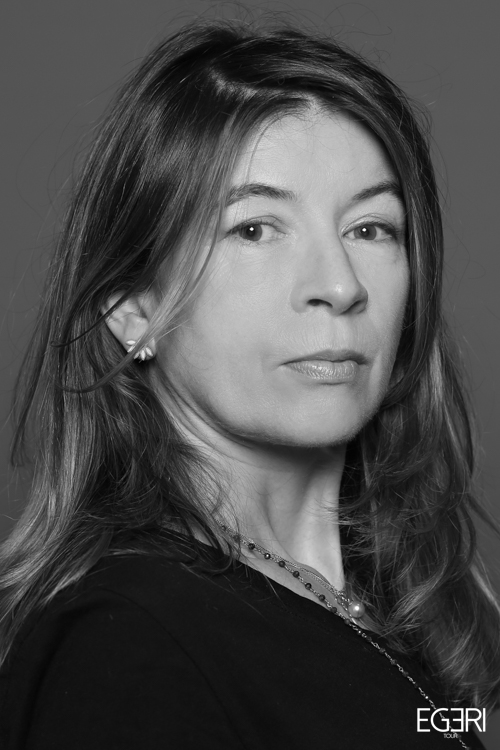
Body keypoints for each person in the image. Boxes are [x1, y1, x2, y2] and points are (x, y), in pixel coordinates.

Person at [0, 17, 498, 750]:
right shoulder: (127, 644)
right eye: (255, 229)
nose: (340, 285)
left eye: (371, 229)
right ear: (133, 310)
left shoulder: (390, 604)